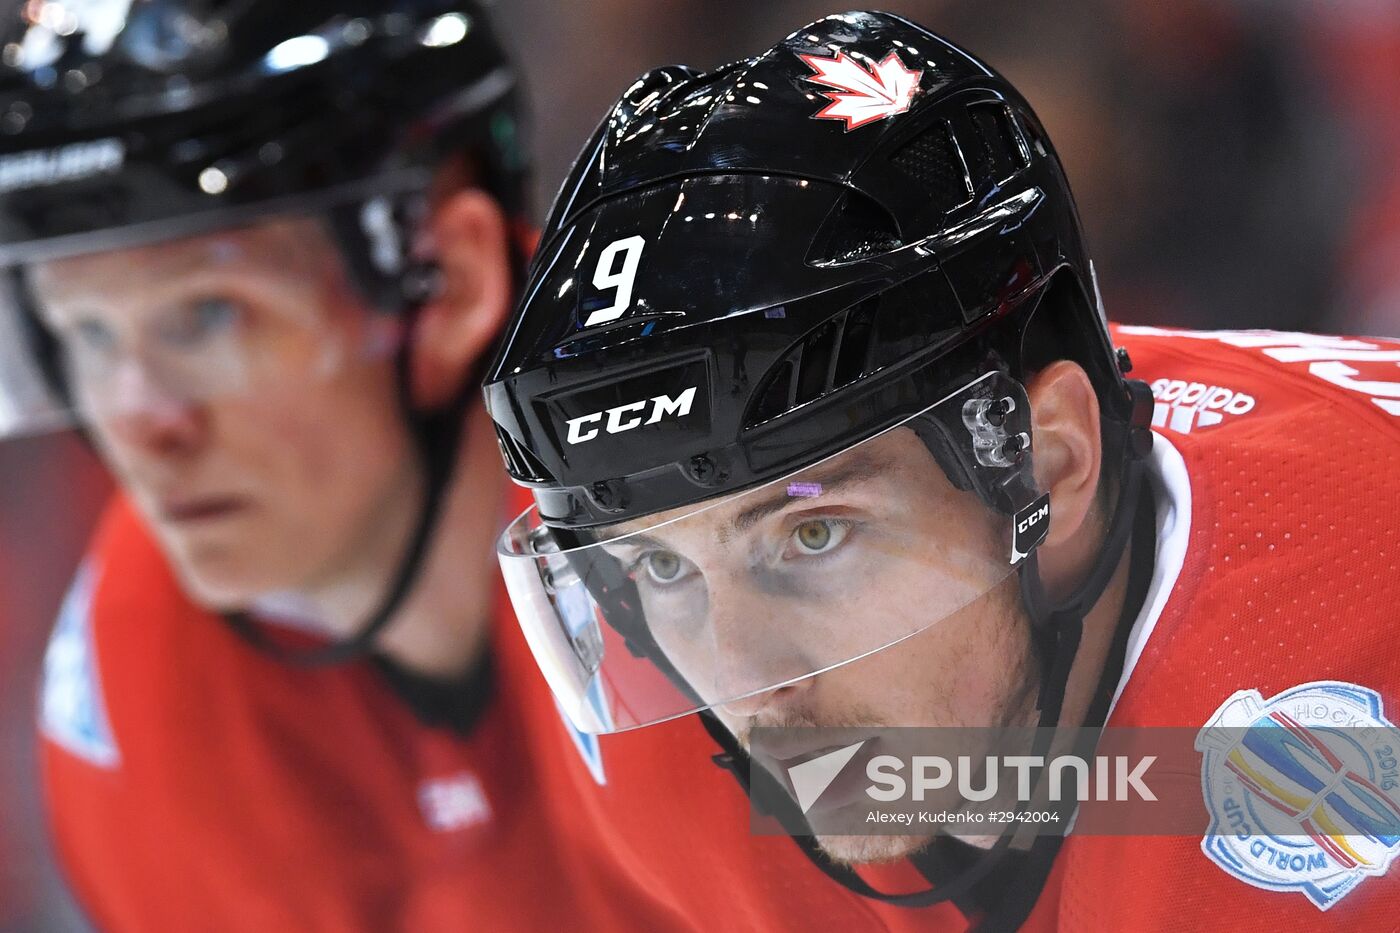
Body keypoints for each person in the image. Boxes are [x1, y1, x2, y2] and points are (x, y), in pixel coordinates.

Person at [487, 10, 1400, 930]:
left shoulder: (1359, 651)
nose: (743, 681)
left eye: (812, 533)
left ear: (1053, 464)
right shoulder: (682, 783)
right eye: (661, 565)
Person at [0, 2, 681, 929]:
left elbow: (938, 808)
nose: (139, 425)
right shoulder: (141, 677)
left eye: (209, 314)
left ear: (452, 284)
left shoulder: (741, 532)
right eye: (85, 331)